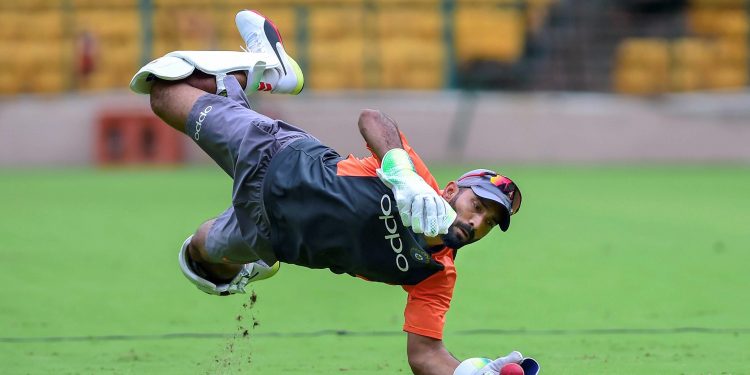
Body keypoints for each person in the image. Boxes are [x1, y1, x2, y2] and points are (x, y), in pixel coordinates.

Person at [130, 10, 537, 375]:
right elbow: (372, 119)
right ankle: (268, 71)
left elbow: (425, 355)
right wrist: (401, 171)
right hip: (273, 158)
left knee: (198, 261)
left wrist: (472, 373)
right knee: (163, 90)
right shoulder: (418, 182)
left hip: (268, 236)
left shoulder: (435, 277)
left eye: (489, 221)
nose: (477, 221)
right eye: (477, 205)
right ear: (452, 190)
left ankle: (251, 262)